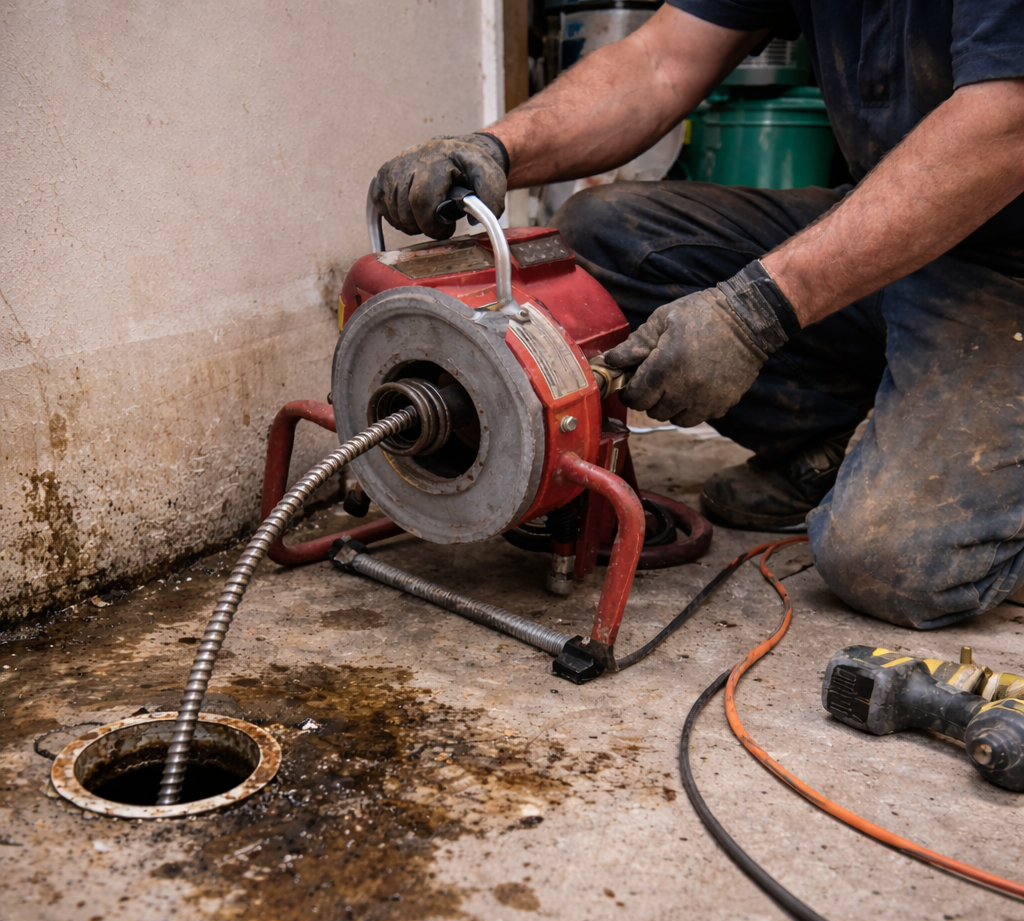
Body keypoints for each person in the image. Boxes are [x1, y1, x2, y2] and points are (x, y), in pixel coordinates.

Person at [370, 1, 1024, 631]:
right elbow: (661, 62)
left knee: (889, 561)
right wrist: (495, 150)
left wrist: (754, 310)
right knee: (607, 238)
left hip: (1007, 265)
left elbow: (1006, 121)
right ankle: (830, 440)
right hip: (905, 224)